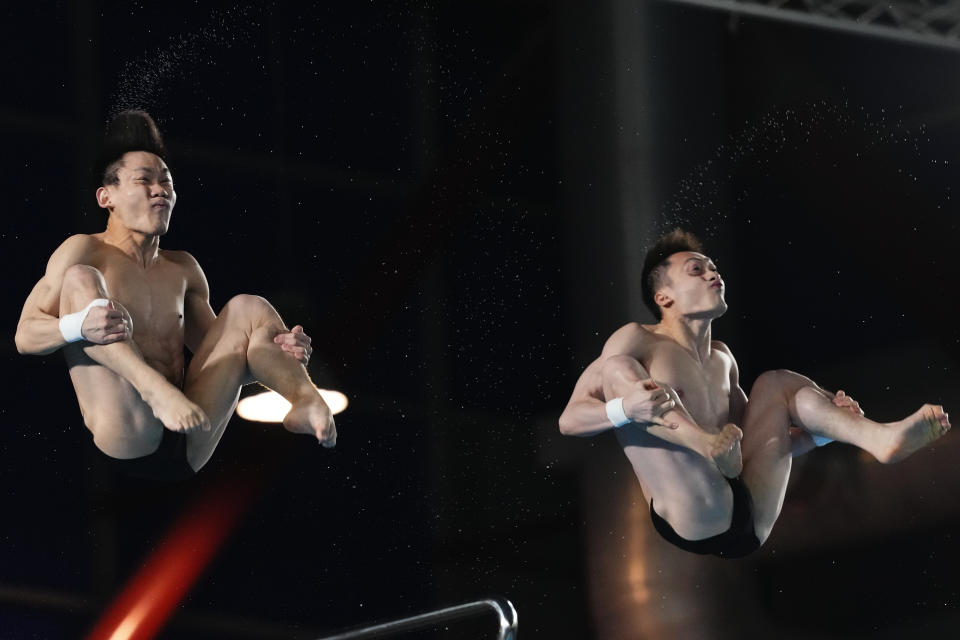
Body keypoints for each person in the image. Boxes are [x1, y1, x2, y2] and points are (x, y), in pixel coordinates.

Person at [558, 229, 950, 558]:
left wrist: (821, 432)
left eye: (714, 268)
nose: (713, 274)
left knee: (776, 384)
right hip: (692, 512)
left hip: (750, 514)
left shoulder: (723, 359)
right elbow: (569, 421)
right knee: (616, 370)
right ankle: (700, 442)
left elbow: (757, 450)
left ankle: (878, 438)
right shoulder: (636, 340)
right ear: (664, 298)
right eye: (697, 270)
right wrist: (626, 408)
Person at [15, 110, 336, 480]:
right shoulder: (84, 251)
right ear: (107, 197)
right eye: (145, 180)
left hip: (187, 436)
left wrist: (280, 353)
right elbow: (25, 336)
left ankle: (306, 401)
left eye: (166, 182)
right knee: (79, 280)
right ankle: (153, 390)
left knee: (250, 309)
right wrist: (76, 326)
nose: (160, 190)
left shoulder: (183, 268)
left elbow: (235, 360)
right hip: (128, 435)